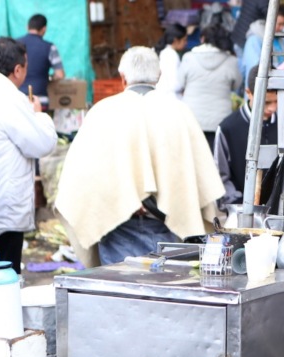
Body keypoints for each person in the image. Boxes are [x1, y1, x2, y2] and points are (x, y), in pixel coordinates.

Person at [55, 47, 223, 267]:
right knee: (165, 295)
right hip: (169, 224)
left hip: (118, 224)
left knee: (120, 295)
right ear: (158, 76)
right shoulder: (179, 112)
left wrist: (126, 197)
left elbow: (81, 177)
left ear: (122, 78)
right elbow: (200, 175)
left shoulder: (102, 112)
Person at [0, 37, 57, 274]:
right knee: (4, 280)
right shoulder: (9, 97)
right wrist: (39, 115)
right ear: (18, 69)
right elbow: (41, 143)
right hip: (2, 206)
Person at [213, 65, 278, 205]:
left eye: (276, 101)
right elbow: (220, 176)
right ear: (249, 93)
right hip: (240, 208)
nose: (273, 108)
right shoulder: (228, 128)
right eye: (266, 102)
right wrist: (238, 202)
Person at [176, 23, 241, 149]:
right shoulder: (231, 61)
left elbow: (180, 83)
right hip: (220, 119)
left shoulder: (188, 58)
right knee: (215, 161)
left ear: (202, 39)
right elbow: (236, 85)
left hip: (192, 117)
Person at [17, 14, 65, 107]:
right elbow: (60, 75)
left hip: (18, 100)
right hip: (40, 101)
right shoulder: (50, 47)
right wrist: (50, 78)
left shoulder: (15, 45)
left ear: (27, 27)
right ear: (44, 29)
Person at [154, 23, 187, 96]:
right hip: (171, 97)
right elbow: (175, 84)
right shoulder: (171, 55)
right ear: (176, 41)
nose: (186, 43)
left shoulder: (159, 51)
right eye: (184, 40)